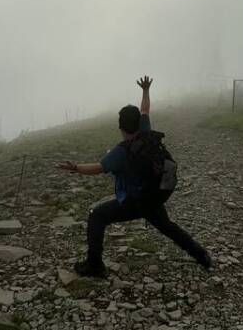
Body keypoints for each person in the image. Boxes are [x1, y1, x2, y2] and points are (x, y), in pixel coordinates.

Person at [57, 76, 211, 278]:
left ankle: (94, 265)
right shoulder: (146, 131)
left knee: (97, 215)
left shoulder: (121, 152)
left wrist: (75, 167)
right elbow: (145, 109)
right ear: (138, 123)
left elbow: (98, 167)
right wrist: (146, 90)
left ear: (121, 128)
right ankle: (202, 256)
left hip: (136, 201)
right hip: (154, 195)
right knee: (168, 227)